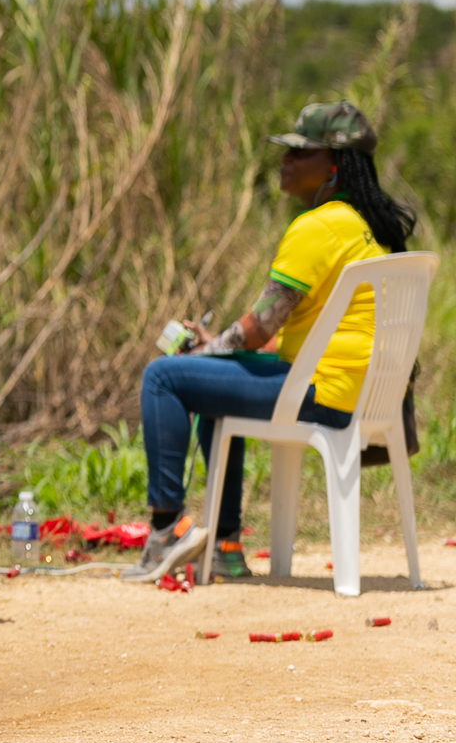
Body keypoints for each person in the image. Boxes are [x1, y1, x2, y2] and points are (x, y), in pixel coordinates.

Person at [126, 101, 415, 582]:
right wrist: (220, 347)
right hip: (350, 392)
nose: (285, 161)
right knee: (213, 389)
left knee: (163, 378)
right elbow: (295, 333)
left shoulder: (319, 227)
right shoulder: (363, 228)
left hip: (319, 394)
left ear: (332, 166)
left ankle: (165, 533)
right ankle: (226, 547)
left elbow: (260, 325)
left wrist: (208, 349)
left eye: (299, 153)